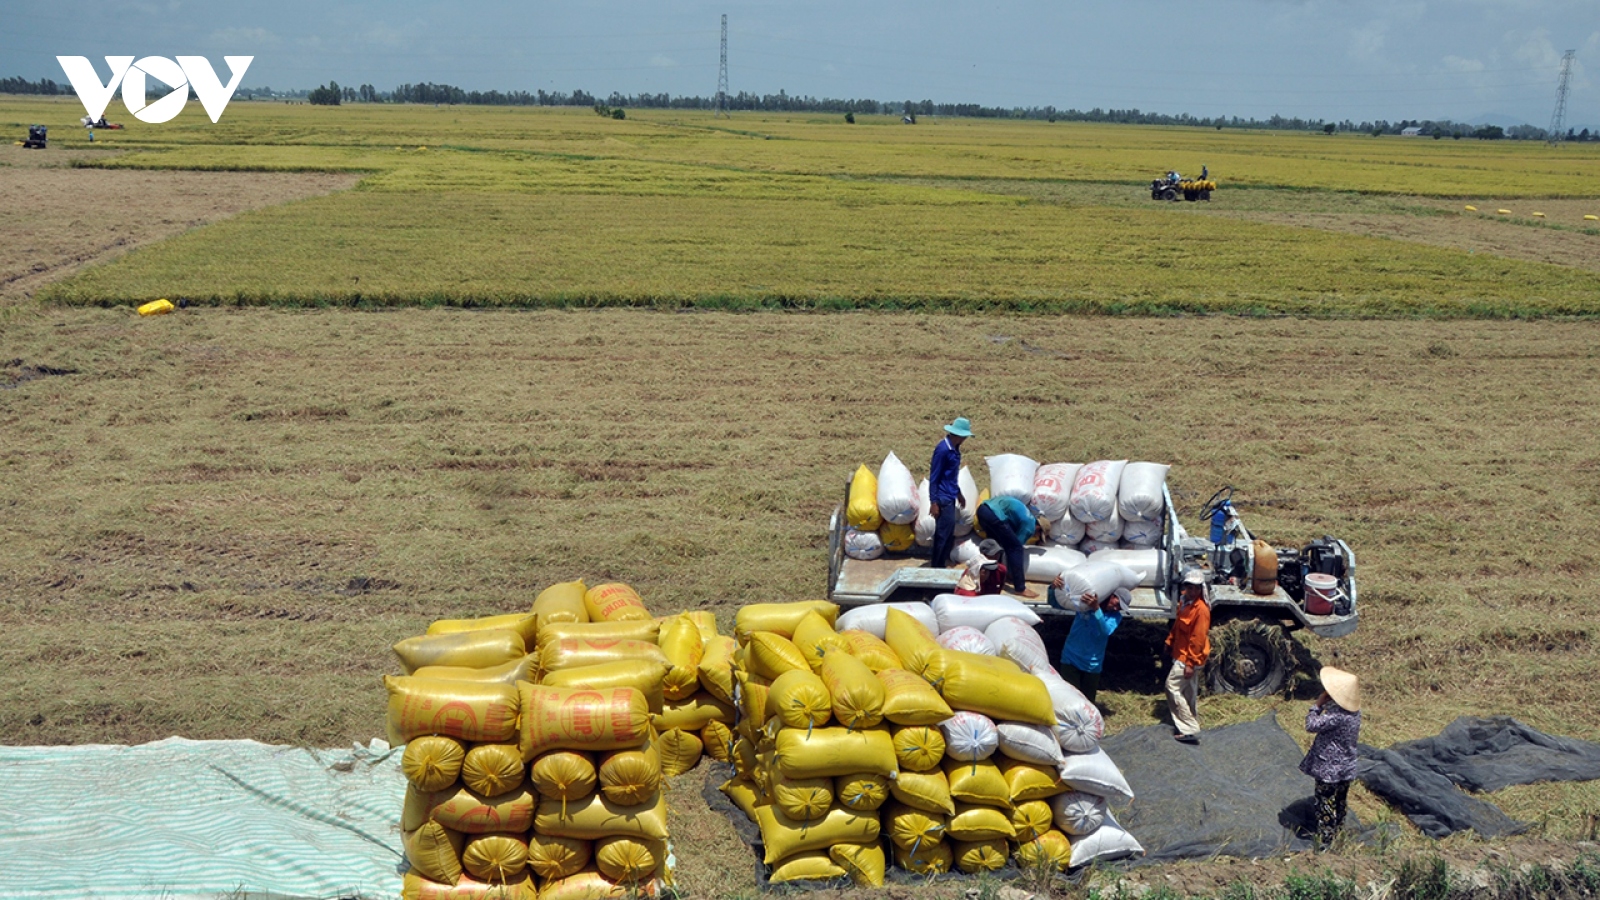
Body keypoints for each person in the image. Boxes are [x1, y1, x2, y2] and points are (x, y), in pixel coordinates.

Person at [1301, 667, 1362, 849]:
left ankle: (1325, 842)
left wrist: (1318, 704)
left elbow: (1311, 725)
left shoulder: (1336, 716)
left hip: (1329, 769)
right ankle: (1338, 833)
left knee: (1325, 803)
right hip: (1346, 765)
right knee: (1340, 801)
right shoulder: (1355, 713)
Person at [1049, 580, 1124, 704]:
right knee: (1068, 699)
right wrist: (1053, 588)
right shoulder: (1085, 606)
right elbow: (1055, 603)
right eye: (1117, 603)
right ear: (1112, 596)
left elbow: (1105, 631)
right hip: (1070, 658)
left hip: (1092, 665)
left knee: (1087, 703)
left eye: (1119, 608)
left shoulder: (1115, 616)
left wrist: (1096, 609)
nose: (1116, 608)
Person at [1166, 569, 1211, 744]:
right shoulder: (1185, 603)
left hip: (1189, 658)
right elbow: (1178, 626)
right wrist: (1169, 641)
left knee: (1172, 687)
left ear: (1201, 589)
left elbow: (1197, 639)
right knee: (1189, 691)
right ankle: (1191, 722)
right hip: (1181, 653)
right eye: (1189, 587)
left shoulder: (1201, 610)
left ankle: (1188, 728)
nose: (1192, 591)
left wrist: (1190, 663)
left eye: (1196, 588)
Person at [974, 495, 1045, 599]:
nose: (1035, 537)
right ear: (1038, 528)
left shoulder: (1026, 515)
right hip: (994, 514)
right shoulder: (1030, 525)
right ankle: (1020, 588)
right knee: (1015, 549)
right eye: (1039, 535)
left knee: (995, 546)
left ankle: (987, 576)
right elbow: (1015, 547)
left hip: (982, 510)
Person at [927, 416, 970, 569]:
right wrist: (933, 502)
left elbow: (951, 475)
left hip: (950, 495)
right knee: (942, 535)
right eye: (964, 436)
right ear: (957, 435)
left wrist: (959, 493)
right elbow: (935, 476)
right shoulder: (943, 450)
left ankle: (941, 564)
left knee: (948, 532)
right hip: (943, 498)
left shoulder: (954, 449)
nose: (965, 439)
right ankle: (936, 567)